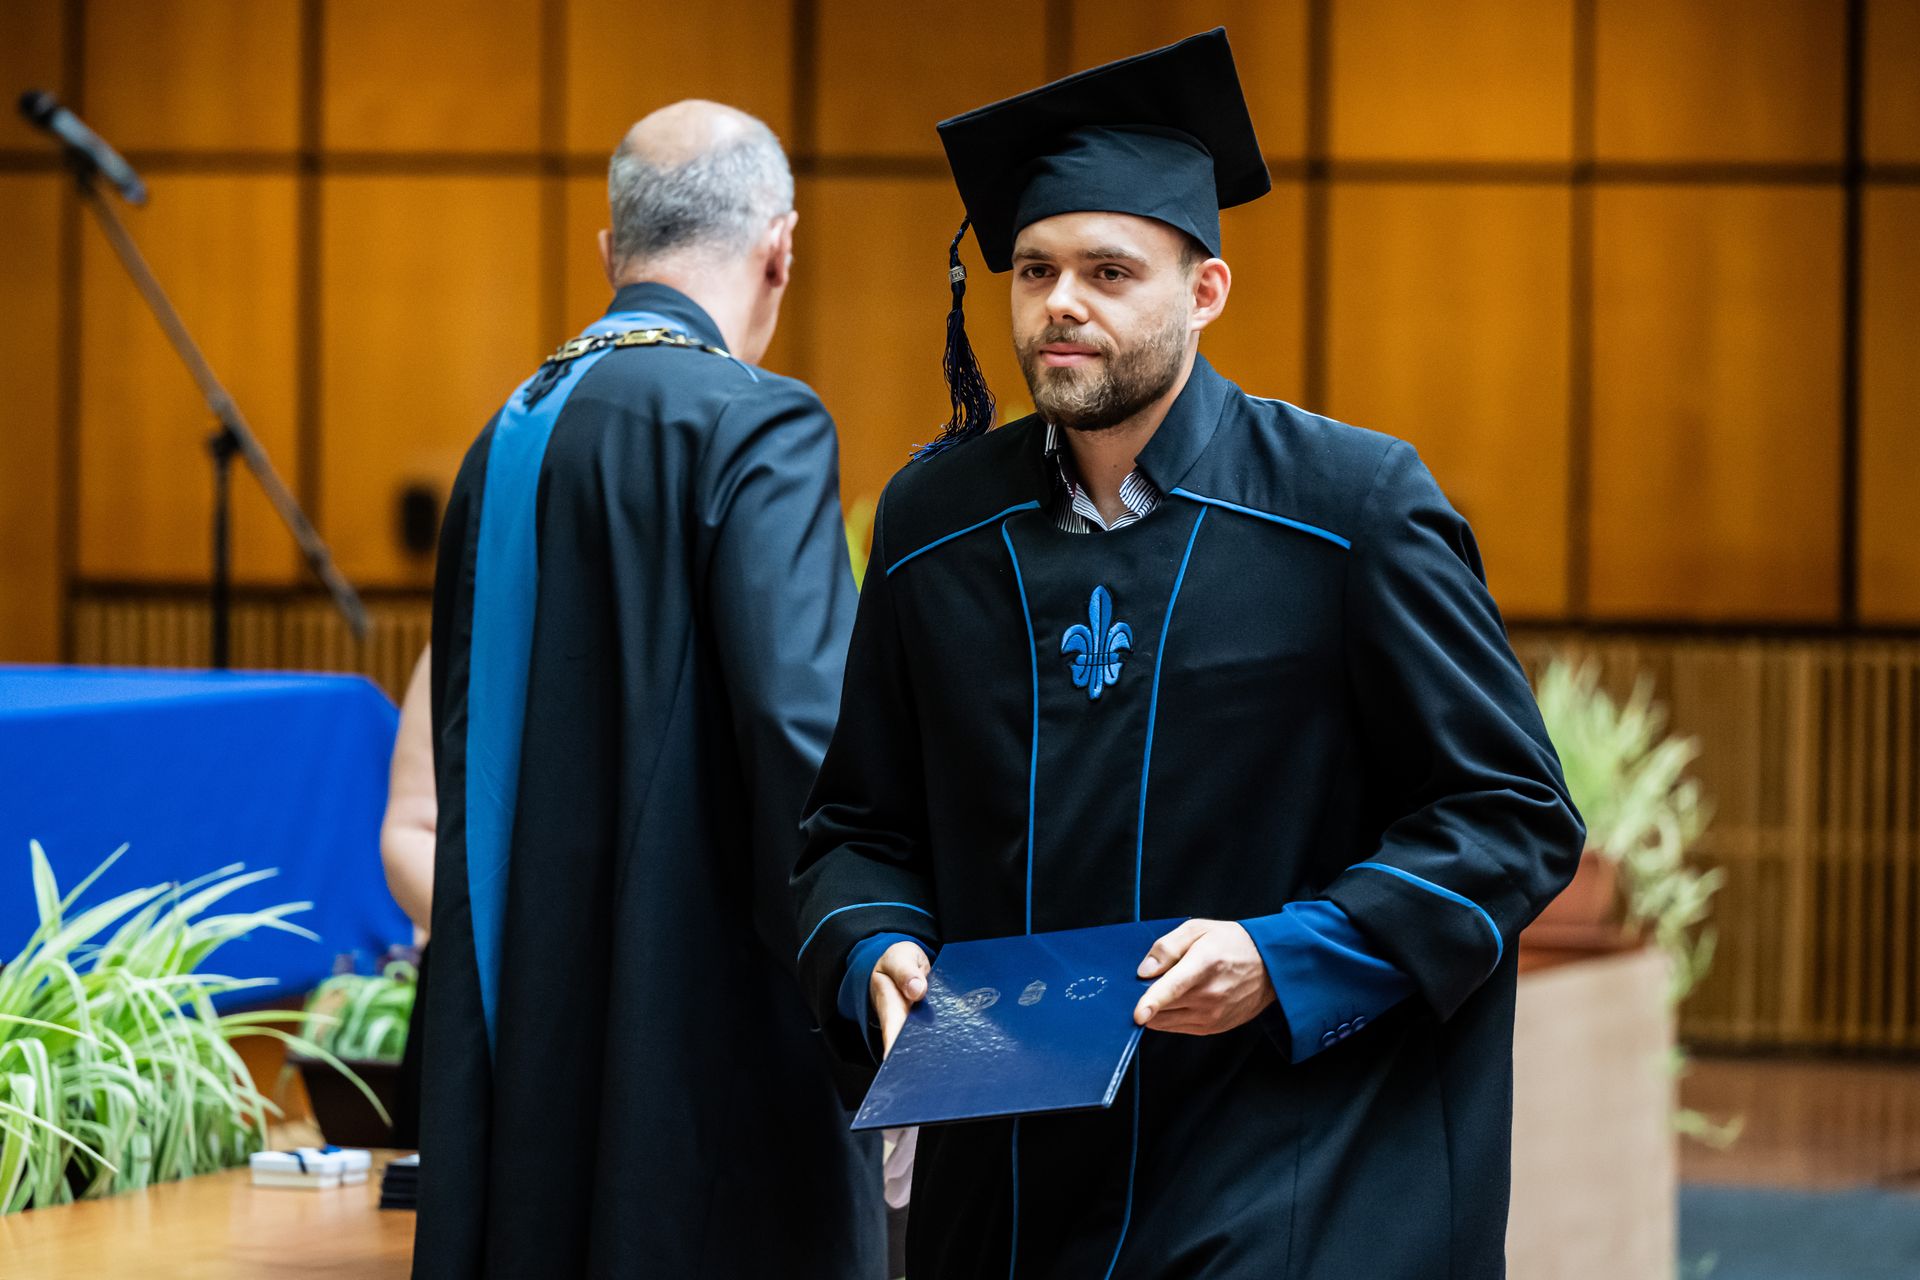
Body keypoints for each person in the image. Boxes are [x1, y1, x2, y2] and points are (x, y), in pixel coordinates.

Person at [791, 29, 1585, 1279]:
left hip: (1275, 1160)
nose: (1062, 303)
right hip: (1010, 1178)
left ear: (1206, 291)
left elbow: (1511, 812)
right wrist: (871, 945)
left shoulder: (1350, 510)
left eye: (1109, 271)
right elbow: (858, 824)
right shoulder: (934, 528)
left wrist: (1285, 954)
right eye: (1036, 269)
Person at [415, 100, 883, 1278]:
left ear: (608, 250)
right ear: (780, 247)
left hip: (520, 1039)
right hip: (700, 1052)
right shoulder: (756, 422)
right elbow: (804, 740)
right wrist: (871, 970)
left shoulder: (505, 436)